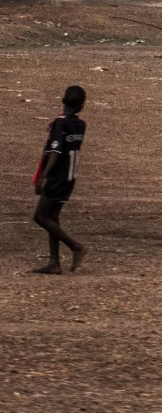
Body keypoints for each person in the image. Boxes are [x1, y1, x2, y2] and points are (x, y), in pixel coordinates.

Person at [30, 85, 88, 275]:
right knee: (52, 218)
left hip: (57, 177)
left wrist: (43, 177)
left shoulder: (60, 124)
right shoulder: (80, 125)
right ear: (81, 107)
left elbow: (55, 152)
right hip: (70, 178)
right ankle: (54, 263)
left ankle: (75, 247)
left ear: (63, 101)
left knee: (40, 216)